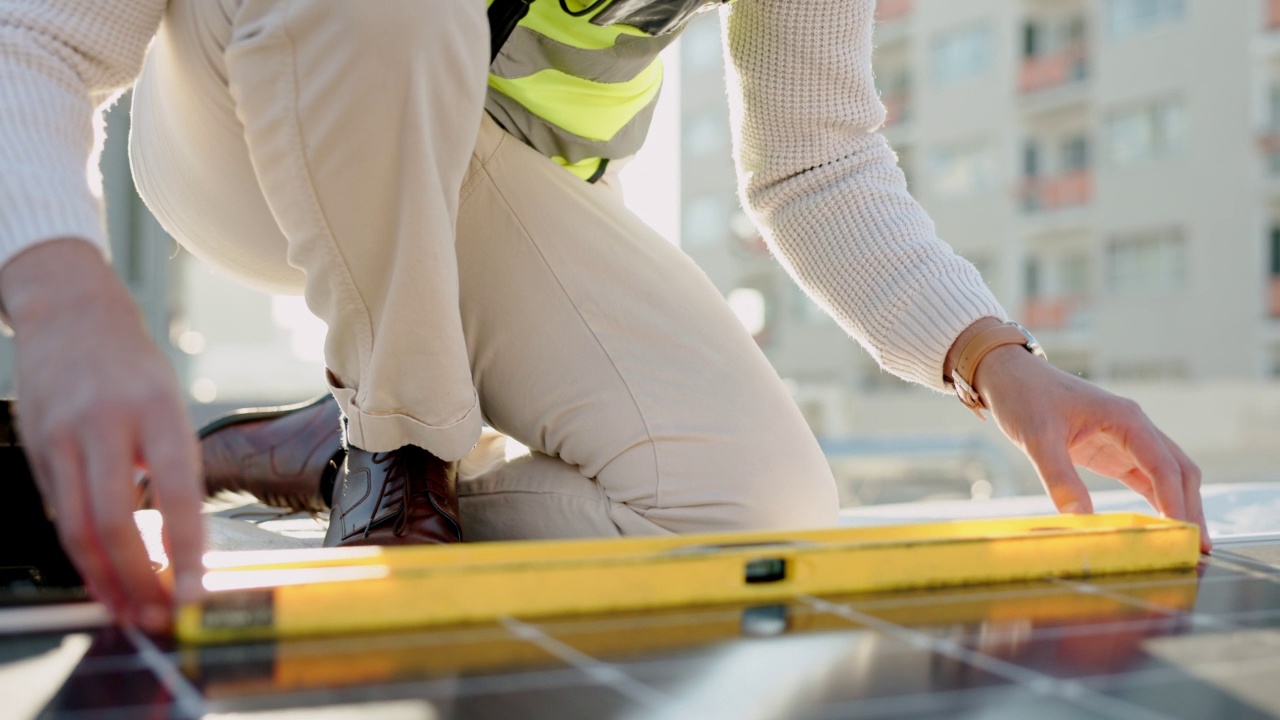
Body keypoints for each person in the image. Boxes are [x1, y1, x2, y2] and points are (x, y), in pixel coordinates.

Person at [0, 0, 1209, 634]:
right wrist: (65, 303)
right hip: (252, 115)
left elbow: (813, 162)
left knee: (749, 509)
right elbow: (36, 36)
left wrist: (1000, 363)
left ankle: (342, 444)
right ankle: (396, 435)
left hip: (467, 200)